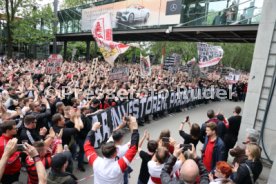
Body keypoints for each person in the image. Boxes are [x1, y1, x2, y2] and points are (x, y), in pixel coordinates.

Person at [84, 116, 139, 184]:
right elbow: (134, 147)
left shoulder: (96, 162)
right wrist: (134, 127)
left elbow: (87, 146)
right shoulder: (119, 166)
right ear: (115, 154)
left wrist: (93, 129)